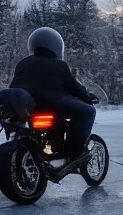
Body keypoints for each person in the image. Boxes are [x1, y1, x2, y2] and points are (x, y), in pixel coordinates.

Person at [8, 27, 97, 159]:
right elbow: (73, 86)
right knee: (89, 112)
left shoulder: (23, 63)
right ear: (56, 46)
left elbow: (15, 84)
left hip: (27, 106)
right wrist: (86, 97)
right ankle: (74, 152)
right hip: (53, 103)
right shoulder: (59, 65)